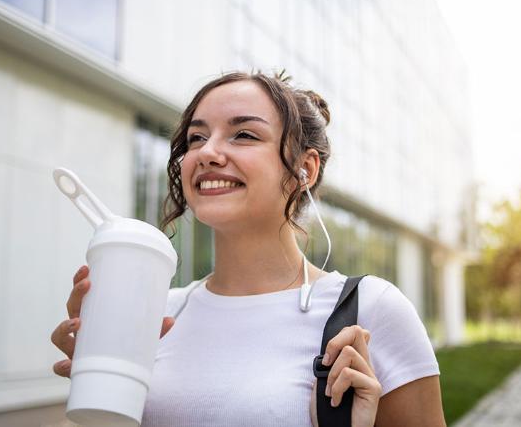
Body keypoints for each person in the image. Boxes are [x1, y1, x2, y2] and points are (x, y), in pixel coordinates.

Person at [50, 71, 446, 426]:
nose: (207, 152)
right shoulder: (162, 313)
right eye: (197, 137)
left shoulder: (369, 309)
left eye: (244, 135)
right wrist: (101, 383)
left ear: (304, 169)